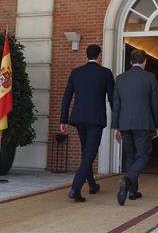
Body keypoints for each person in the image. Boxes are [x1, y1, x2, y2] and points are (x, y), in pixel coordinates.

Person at [60, 44, 114, 202]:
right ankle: (75, 188)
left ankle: (92, 184)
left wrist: (63, 119)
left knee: (86, 152)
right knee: (90, 154)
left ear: (87, 55)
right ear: (99, 56)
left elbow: (66, 97)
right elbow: (112, 99)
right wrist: (118, 120)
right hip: (95, 120)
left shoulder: (76, 72)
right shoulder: (105, 73)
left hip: (78, 119)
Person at [112, 49, 158, 206]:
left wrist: (116, 127)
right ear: (145, 61)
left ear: (130, 62)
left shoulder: (120, 79)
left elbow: (116, 105)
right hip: (143, 124)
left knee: (131, 156)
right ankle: (127, 180)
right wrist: (156, 124)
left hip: (125, 124)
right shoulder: (150, 77)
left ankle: (133, 192)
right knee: (143, 155)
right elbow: (156, 103)